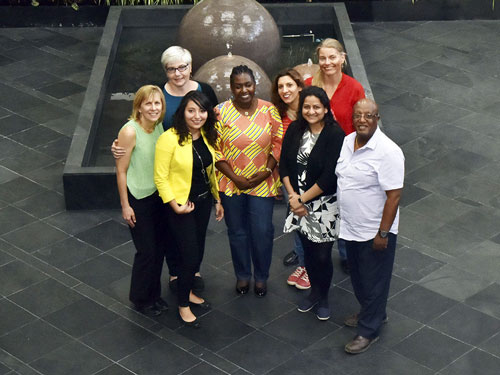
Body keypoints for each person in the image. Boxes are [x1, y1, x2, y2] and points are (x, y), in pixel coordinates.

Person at [112, 46, 218, 292]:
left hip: (196, 173)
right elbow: (139, 129)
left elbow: (214, 123)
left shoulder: (205, 91)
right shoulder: (159, 95)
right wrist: (119, 146)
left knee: (196, 230)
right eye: (172, 69)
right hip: (168, 177)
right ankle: (174, 273)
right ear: (166, 71)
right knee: (170, 232)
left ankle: (193, 269)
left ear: (191, 67)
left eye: (182, 67)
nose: (178, 73)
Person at [336, 98, 404, 353]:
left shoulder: (389, 152)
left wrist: (383, 233)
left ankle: (368, 330)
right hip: (351, 227)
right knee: (359, 277)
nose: (362, 119)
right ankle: (373, 311)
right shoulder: (346, 141)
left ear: (377, 118)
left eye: (369, 115)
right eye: (358, 115)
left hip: (375, 231)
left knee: (375, 280)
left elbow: (394, 196)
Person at [154, 91, 224, 328]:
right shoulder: (169, 138)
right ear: (182, 112)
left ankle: (189, 293)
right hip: (180, 206)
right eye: (191, 110)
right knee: (189, 255)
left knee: (199, 251)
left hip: (203, 203)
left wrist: (217, 200)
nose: (197, 116)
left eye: (202, 111)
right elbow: (160, 178)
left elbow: (209, 172)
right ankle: (183, 304)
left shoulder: (206, 135)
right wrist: (175, 205)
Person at [215, 65, 283, 298]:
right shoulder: (220, 112)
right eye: (238, 86)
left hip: (262, 181)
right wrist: (235, 178)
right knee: (237, 231)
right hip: (231, 182)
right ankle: (243, 275)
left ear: (254, 85)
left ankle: (261, 277)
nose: (244, 90)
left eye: (248, 84)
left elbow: (278, 141)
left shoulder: (269, 110)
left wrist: (266, 172)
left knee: (262, 230)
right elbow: (215, 149)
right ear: (231, 88)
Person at [280, 86, 344, 321]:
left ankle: (324, 296)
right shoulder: (295, 129)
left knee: (322, 256)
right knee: (307, 252)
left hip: (324, 205)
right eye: (306, 106)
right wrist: (293, 197)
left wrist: (301, 199)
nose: (311, 111)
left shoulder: (335, 134)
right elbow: (284, 165)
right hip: (298, 203)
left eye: (317, 106)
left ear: (326, 108)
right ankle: (314, 291)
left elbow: (329, 176)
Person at [305, 38, 366, 275]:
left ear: (343, 58)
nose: (327, 62)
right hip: (313, 157)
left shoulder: (354, 88)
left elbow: (360, 125)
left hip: (344, 158)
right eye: (322, 58)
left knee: (345, 205)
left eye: (332, 57)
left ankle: (346, 253)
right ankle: (308, 253)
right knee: (311, 203)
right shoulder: (310, 84)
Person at [115, 85, 168, 317]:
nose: (154, 108)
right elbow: (121, 171)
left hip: (157, 196)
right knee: (146, 251)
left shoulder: (158, 127)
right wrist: (126, 206)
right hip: (138, 198)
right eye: (148, 103)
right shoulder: (129, 131)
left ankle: (154, 295)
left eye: (157, 103)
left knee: (159, 249)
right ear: (139, 107)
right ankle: (139, 298)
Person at [270, 68, 310, 290]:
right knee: (297, 219)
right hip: (290, 179)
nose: (285, 90)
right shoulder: (277, 114)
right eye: (281, 87)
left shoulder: (311, 108)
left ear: (299, 86)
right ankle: (303, 263)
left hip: (313, 178)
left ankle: (312, 265)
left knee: (314, 221)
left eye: (289, 85)